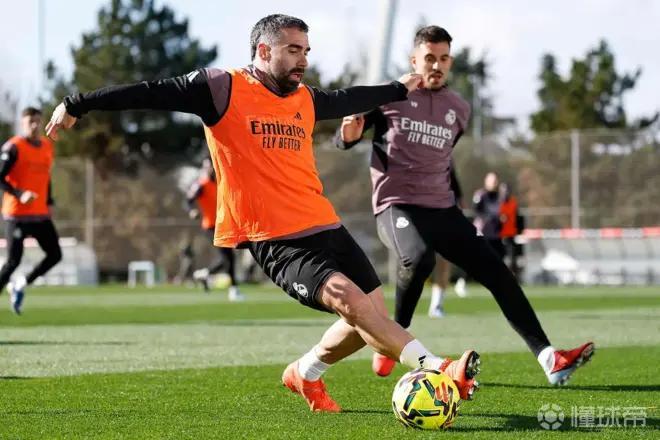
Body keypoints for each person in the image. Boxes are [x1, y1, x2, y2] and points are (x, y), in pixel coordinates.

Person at [45, 14, 481, 412]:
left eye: (306, 50)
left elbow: (347, 97)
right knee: (350, 302)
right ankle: (438, 367)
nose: (303, 60)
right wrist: (77, 103)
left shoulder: (304, 98)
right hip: (274, 238)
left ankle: (305, 372)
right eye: (293, 50)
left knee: (370, 319)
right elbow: (149, 92)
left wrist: (398, 89)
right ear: (264, 50)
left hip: (325, 224)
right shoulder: (221, 88)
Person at [338, 25, 593, 385]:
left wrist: (454, 198)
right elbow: (347, 138)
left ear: (450, 61)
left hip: (443, 211)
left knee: (498, 273)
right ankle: (392, 339)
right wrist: (349, 132)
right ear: (414, 60)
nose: (436, 65)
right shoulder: (388, 96)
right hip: (396, 206)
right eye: (429, 58)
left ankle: (549, 358)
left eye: (443, 58)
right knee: (419, 259)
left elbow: (443, 159)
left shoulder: (458, 108)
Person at [0, 107, 63, 314]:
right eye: (30, 122)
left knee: (55, 254)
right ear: (23, 123)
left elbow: (46, 177)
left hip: (40, 214)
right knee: (13, 261)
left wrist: (49, 201)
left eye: (37, 121)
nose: (35, 125)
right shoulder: (14, 147)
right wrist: (19, 194)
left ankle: (20, 284)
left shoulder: (46, 146)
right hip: (16, 214)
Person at [187, 157, 244, 300]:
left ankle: (205, 274)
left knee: (227, 258)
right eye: (207, 167)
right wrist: (192, 210)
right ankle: (233, 289)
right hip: (211, 227)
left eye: (211, 165)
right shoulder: (202, 185)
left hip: (224, 225)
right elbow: (188, 200)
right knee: (228, 257)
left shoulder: (221, 181)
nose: (210, 169)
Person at [429, 164, 468, 319]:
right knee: (416, 261)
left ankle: (436, 305)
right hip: (418, 213)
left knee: (444, 261)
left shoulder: (446, 160)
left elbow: (454, 182)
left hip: (444, 213)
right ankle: (404, 310)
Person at [473, 171, 505, 258]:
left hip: (496, 234)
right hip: (483, 233)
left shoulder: (500, 196)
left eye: (495, 181)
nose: (493, 183)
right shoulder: (481, 195)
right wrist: (488, 218)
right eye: (491, 181)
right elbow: (477, 210)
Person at [499, 182, 522, 279]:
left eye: (507, 191)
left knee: (512, 258)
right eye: (504, 191)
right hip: (498, 235)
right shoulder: (497, 203)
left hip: (510, 234)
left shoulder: (513, 203)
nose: (506, 193)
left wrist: (519, 231)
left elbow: (518, 218)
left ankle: (512, 277)